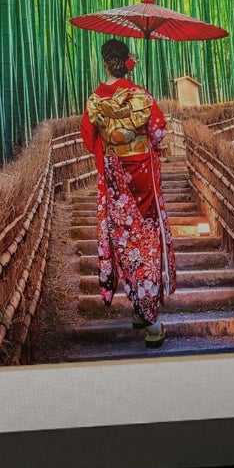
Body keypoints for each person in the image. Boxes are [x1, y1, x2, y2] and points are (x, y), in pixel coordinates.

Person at [79, 38, 177, 347]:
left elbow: (88, 137)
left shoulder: (95, 99)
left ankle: (139, 308)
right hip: (142, 179)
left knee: (124, 242)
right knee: (145, 242)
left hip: (115, 179)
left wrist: (112, 148)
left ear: (104, 62)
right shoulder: (140, 96)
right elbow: (159, 133)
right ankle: (151, 322)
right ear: (126, 61)